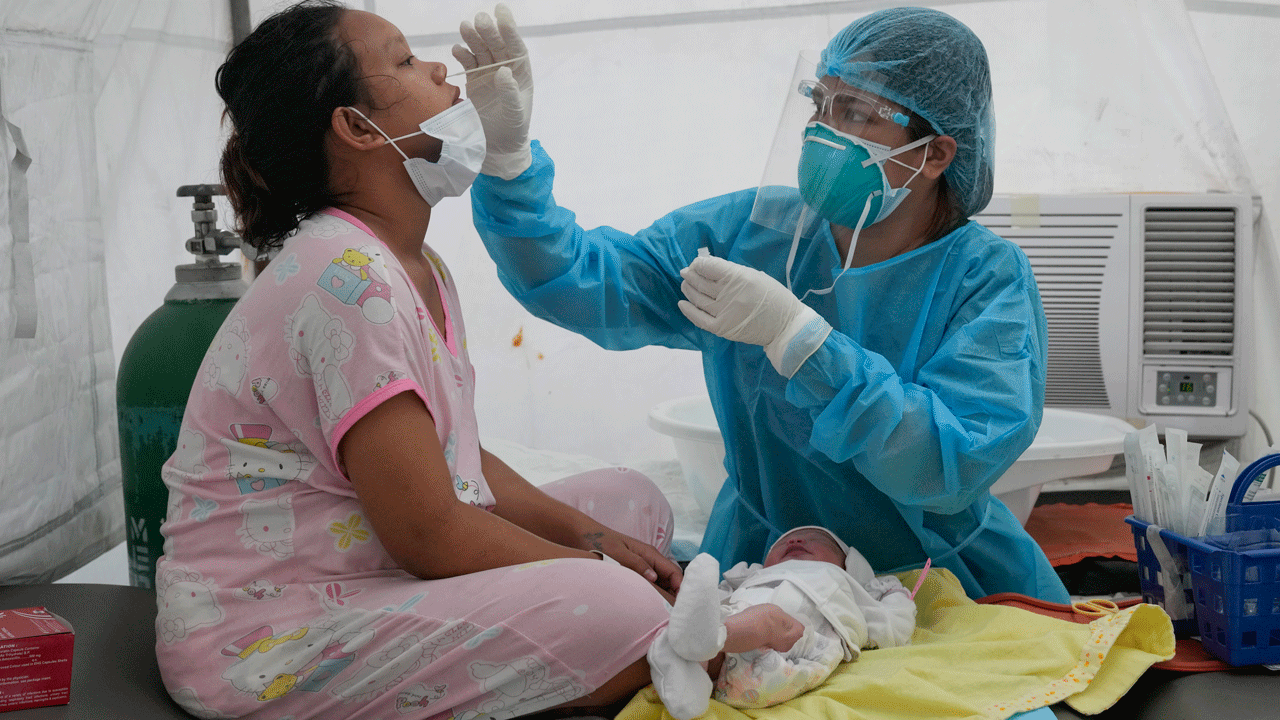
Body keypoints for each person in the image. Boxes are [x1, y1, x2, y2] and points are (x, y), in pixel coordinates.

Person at [154, 3, 682, 718]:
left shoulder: (411, 264)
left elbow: (455, 456)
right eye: (404, 61)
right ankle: (624, 647)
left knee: (632, 505)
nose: (441, 71)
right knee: (623, 604)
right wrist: (595, 570)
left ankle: (602, 639)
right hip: (265, 644)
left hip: (369, 575)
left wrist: (588, 535)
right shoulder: (349, 277)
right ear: (357, 127)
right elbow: (429, 533)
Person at [462, 5, 1071, 603]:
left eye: (854, 112)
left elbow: (948, 464)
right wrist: (508, 163)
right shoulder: (752, 234)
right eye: (819, 103)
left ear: (934, 155)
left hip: (936, 585)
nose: (823, 130)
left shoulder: (985, 278)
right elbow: (581, 282)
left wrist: (802, 341)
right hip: (762, 570)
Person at [647, 527, 917, 720]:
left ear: (849, 565)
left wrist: (895, 595)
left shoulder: (849, 587)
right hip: (738, 625)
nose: (796, 539)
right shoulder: (753, 578)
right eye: (782, 542)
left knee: (761, 633)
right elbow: (715, 599)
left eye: (817, 539)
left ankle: (687, 654)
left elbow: (894, 627)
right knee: (720, 620)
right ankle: (691, 673)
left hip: (793, 647)